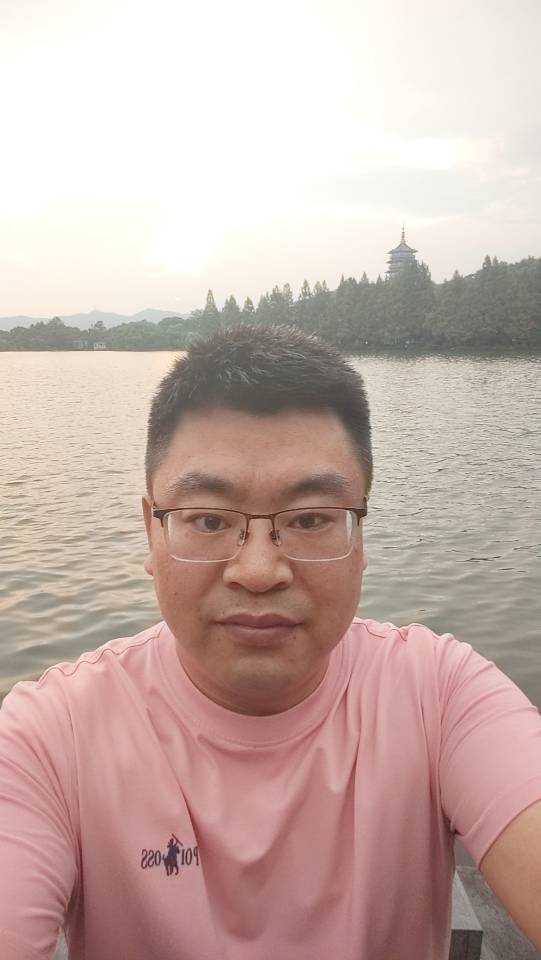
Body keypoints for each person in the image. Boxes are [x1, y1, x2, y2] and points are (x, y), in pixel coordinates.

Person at [0, 324, 540, 960]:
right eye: (209, 519)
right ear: (152, 531)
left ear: (360, 535)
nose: (258, 571)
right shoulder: (50, 739)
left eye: (310, 519)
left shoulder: (441, 698)